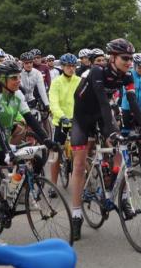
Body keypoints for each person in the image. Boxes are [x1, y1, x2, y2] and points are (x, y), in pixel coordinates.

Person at [69, 38, 141, 241]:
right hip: (83, 117)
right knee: (79, 165)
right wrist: (112, 130)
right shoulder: (97, 72)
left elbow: (132, 102)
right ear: (112, 58)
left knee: (120, 145)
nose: (129, 62)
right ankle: (76, 215)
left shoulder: (127, 76)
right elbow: (104, 103)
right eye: (125, 58)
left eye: (131, 58)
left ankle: (120, 193)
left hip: (102, 114)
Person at [0, 60, 56, 246]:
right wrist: (6, 151)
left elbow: (30, 120)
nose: (18, 80)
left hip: (4, 144)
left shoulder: (18, 95)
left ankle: (8, 200)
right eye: (13, 78)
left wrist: (47, 140)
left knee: (29, 161)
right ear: (2, 79)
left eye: (19, 77)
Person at [48, 53, 81, 187]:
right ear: (62, 67)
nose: (71, 69)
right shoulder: (56, 82)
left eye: (73, 66)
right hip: (61, 121)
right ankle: (53, 185)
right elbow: (53, 103)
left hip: (76, 121)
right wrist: (61, 116)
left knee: (80, 152)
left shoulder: (79, 81)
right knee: (56, 153)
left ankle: (82, 183)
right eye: (68, 66)